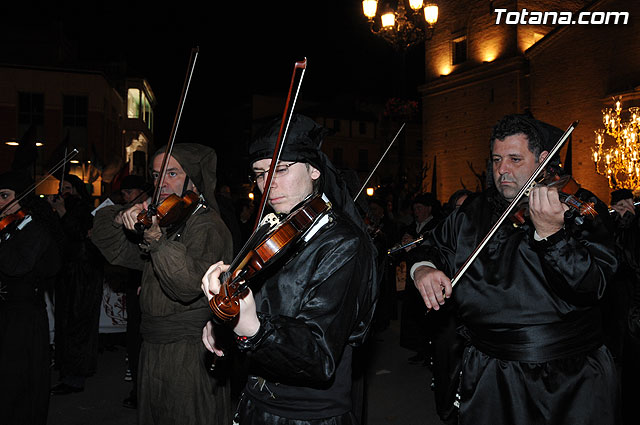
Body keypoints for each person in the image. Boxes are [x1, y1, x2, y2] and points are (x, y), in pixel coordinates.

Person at [411, 114, 619, 425]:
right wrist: (423, 269)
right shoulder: (473, 210)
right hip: (488, 371)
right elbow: (432, 247)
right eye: (496, 159)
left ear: (543, 159)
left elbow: (594, 285)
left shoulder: (580, 208)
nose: (502, 170)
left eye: (515, 159)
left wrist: (554, 236)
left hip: (565, 378)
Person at [201, 114, 378, 424]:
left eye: (280, 169)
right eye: (259, 173)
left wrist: (251, 328)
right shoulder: (274, 230)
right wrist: (225, 323)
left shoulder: (344, 244)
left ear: (313, 169)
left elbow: (319, 355)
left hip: (307, 416)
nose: (268, 184)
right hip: (255, 401)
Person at [91, 143, 233, 425]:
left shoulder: (208, 226)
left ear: (193, 178)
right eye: (157, 176)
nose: (161, 184)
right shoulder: (168, 220)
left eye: (171, 174)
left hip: (188, 352)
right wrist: (123, 216)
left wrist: (156, 240)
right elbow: (110, 245)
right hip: (153, 347)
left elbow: (187, 285)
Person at [0, 170, 62, 424]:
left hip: (23, 320)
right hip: (5, 316)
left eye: (4, 196)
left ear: (21, 198)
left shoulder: (35, 228)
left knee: (18, 383)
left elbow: (17, 266)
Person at [49, 174, 104, 395]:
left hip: (83, 277)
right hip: (67, 275)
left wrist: (63, 212)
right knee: (65, 323)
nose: (64, 192)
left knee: (78, 325)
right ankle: (67, 371)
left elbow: (81, 236)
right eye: (61, 188)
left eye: (68, 187)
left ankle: (75, 378)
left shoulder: (84, 210)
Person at [608, 188, 640, 425]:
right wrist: (619, 225)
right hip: (615, 315)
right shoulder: (610, 226)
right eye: (617, 205)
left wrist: (631, 223)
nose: (622, 209)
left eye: (625, 204)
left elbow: (634, 262)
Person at [397, 193, 440, 365]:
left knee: (428, 316)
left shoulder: (436, 226)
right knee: (414, 315)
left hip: (429, 277)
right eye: (414, 209)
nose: (416, 212)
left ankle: (430, 352)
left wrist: (416, 245)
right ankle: (419, 349)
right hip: (411, 277)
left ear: (429, 208)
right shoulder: (411, 227)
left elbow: (436, 250)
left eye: (420, 208)